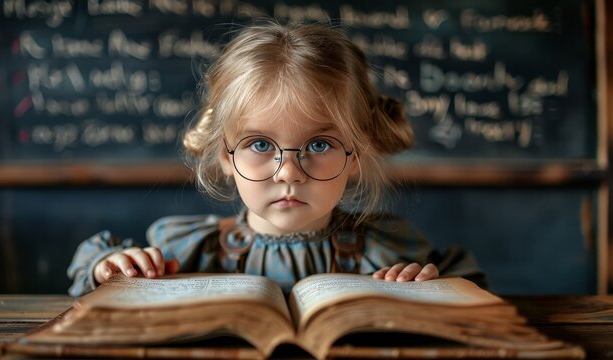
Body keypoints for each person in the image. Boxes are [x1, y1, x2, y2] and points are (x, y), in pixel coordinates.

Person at [67, 21, 486, 297]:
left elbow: (470, 284)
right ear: (225, 156)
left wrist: (433, 285)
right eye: (260, 145)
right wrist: (108, 267)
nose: (289, 173)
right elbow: (85, 273)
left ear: (356, 154)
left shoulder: (388, 247)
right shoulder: (187, 246)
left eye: (319, 145)